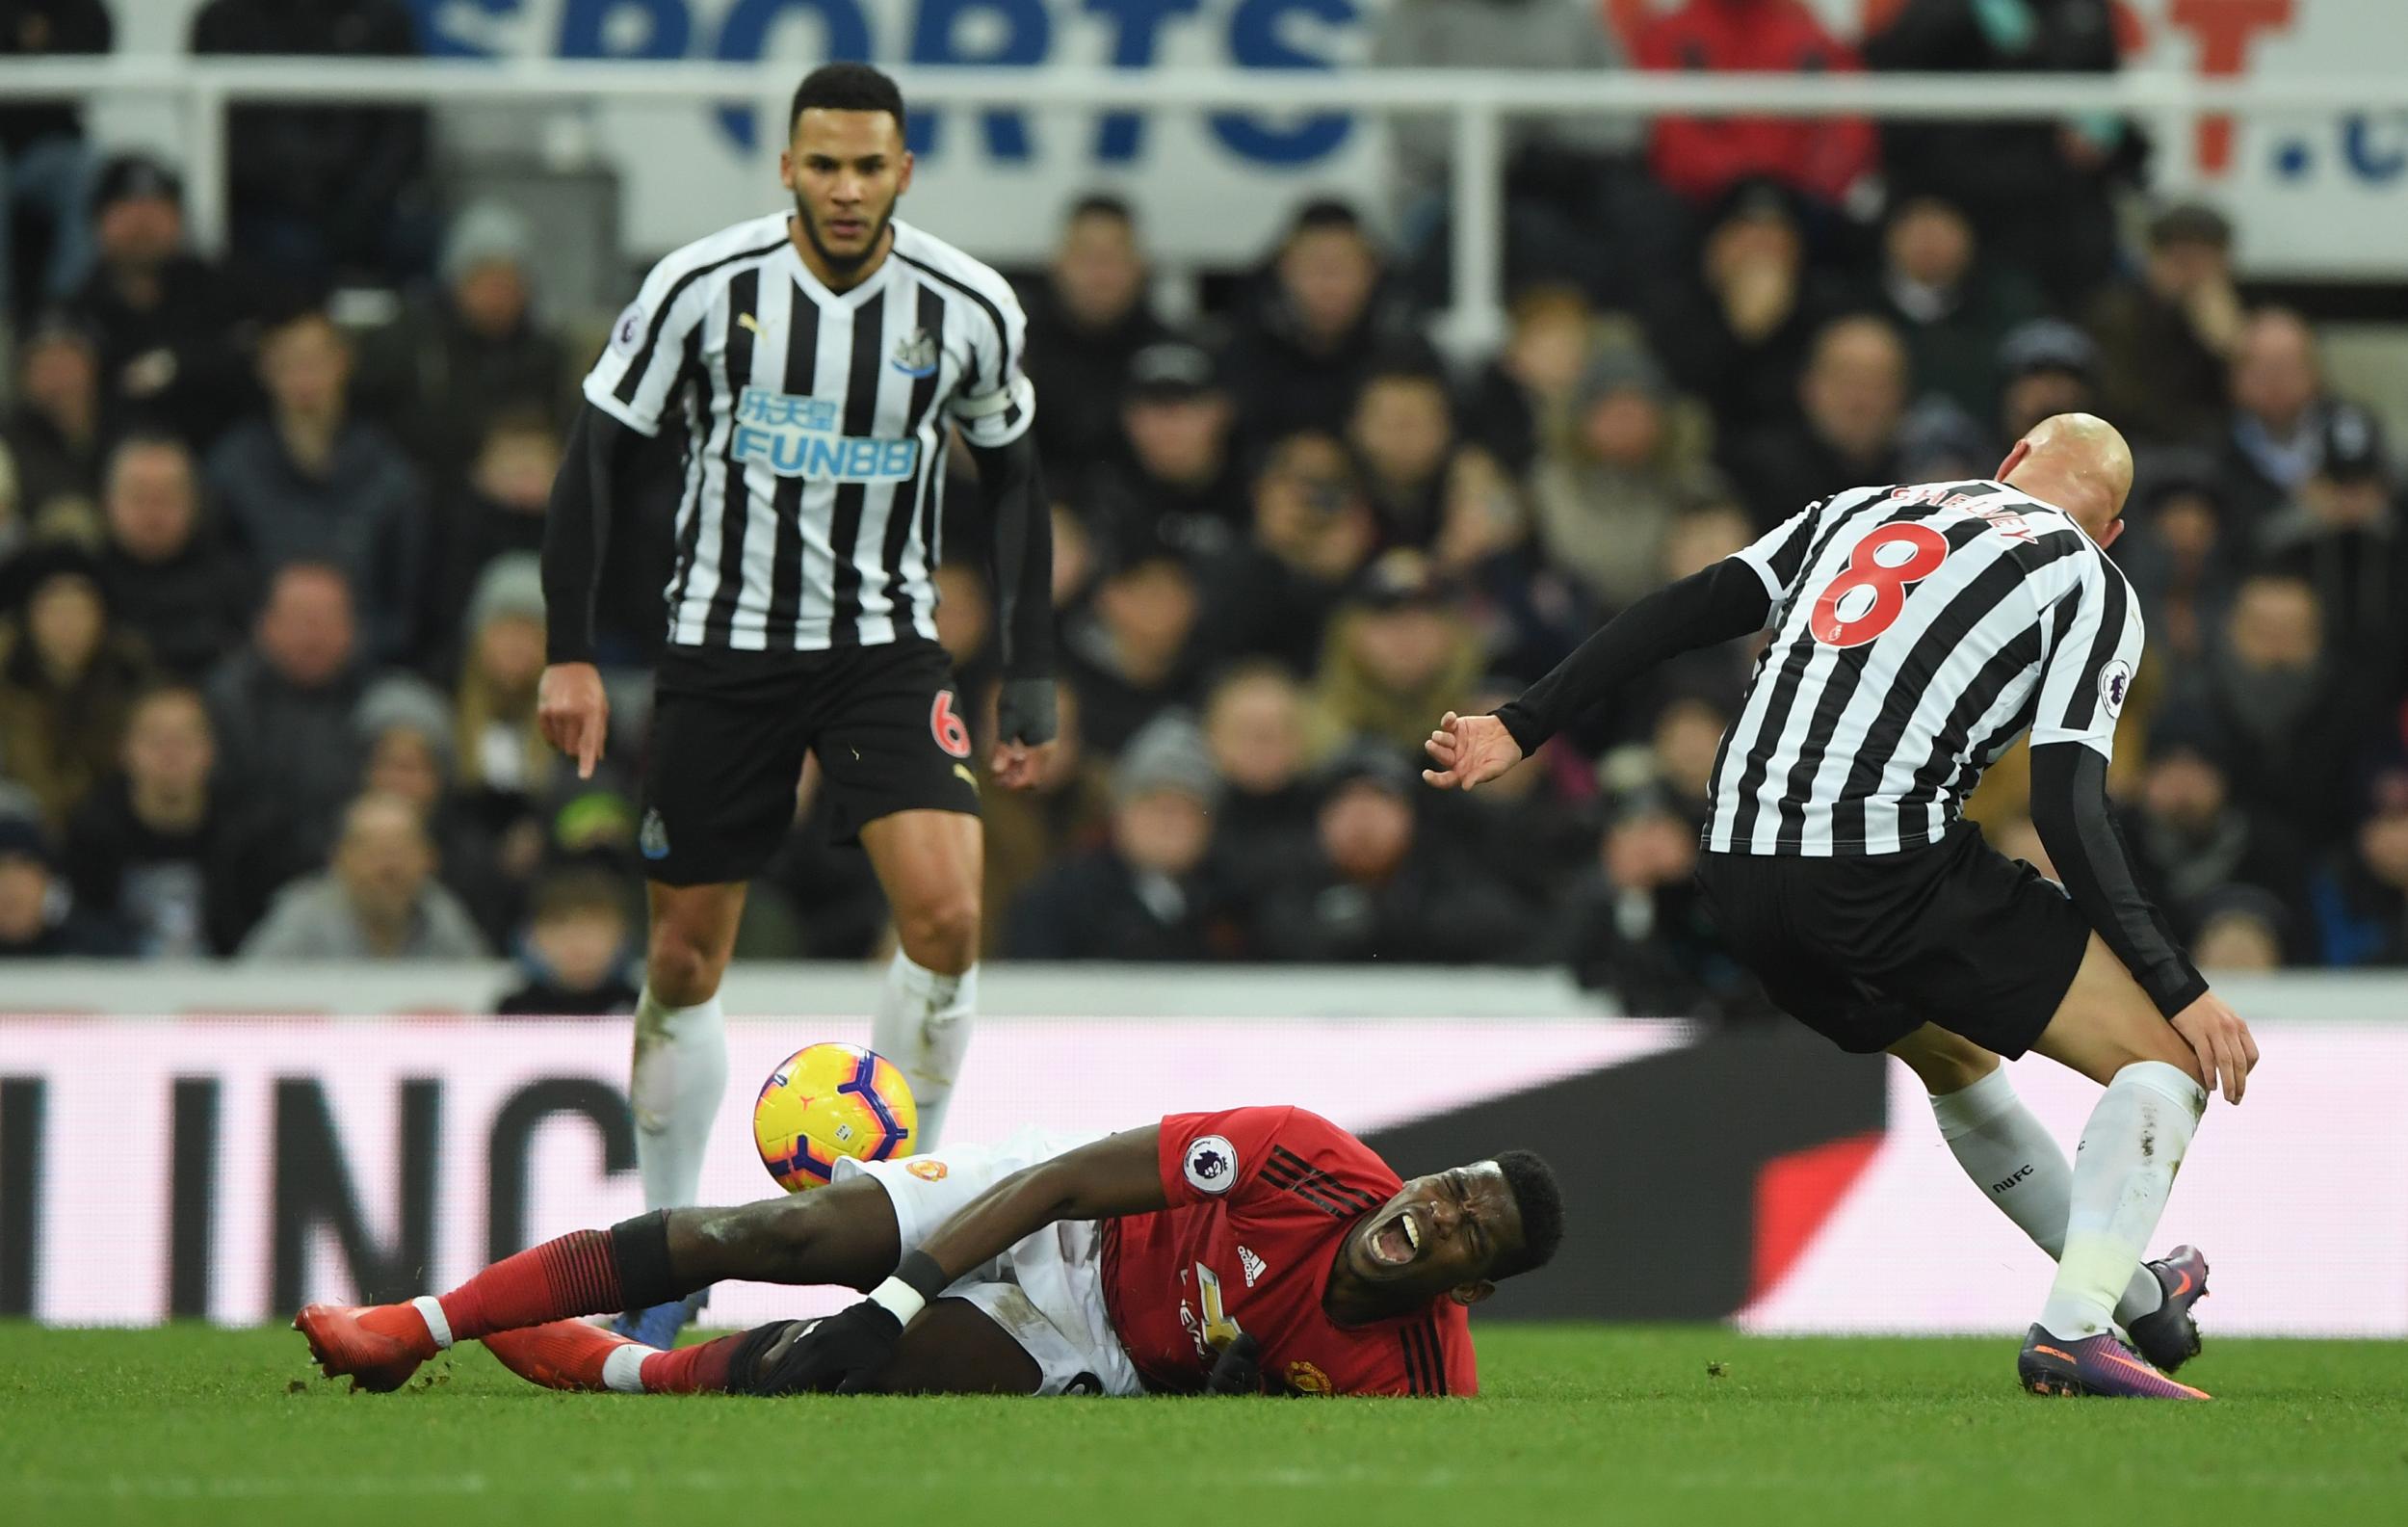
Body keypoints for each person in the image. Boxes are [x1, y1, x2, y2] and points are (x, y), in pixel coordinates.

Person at [1426, 414, 2258, 1397]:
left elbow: (1686, 606)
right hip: (1877, 863)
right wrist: (2178, 981)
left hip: (1733, 868)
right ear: (2110, 529)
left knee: (1954, 1056)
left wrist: (1522, 721)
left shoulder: (1865, 507)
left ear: (2006, 467)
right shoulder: (2087, 577)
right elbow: (2067, 804)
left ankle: (2132, 1305)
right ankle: (2074, 1331)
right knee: (2163, 1059)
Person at [537, 65, 1059, 1346]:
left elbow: (1017, 480)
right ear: (785, 167)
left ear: (903, 173)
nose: (842, 188)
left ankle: (909, 1219)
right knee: (681, 959)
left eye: (866, 166)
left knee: (944, 917)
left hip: (886, 648)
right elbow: (598, 454)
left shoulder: (969, 307)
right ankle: (665, 1261)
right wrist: (570, 648)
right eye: (820, 164)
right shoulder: (702, 289)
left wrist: (1029, 663)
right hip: (722, 651)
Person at [295, 1106, 1564, 1398]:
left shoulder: (1417, 1386)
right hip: (1063, 1221)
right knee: (777, 1233)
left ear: (1470, 1286)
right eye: (1451, 1188)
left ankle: (615, 1370)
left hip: (1095, 1353)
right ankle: (416, 1326)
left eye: (1467, 1231)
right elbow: (1067, 1175)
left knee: (815, 1382)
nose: (1436, 1212)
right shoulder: (1300, 1156)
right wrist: (898, 1294)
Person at [207, 306, 429, 664]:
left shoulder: (389, 474)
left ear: (343, 363)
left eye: (316, 361)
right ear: (266, 370)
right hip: (257, 669)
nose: (304, 377)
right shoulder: (233, 469)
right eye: (290, 362)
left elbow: (407, 601)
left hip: (367, 668)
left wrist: (351, 650)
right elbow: (219, 584)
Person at [62, 682, 299, 957]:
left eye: (185, 740)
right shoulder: (91, 837)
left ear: (209, 751)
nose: (171, 754)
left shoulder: (249, 837)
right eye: (156, 740)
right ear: (125, 751)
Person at [1004, 713, 1229, 961]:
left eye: (1186, 810)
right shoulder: (1061, 901)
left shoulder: (1230, 903)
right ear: (1120, 814)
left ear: (1209, 826)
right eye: (1154, 805)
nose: (1168, 824)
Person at [67, 153, 255, 447]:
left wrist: (176, 367)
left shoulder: (223, 291)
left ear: (179, 220)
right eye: (126, 210)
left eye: (156, 210)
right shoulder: (77, 311)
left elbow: (252, 357)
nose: (142, 225)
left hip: (218, 458)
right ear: (99, 223)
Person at [1017, 196, 1170, 487]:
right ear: (1057, 263)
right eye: (1086, 256)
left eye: (1113, 257)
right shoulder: (1016, 348)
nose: (1100, 273)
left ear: (1140, 265)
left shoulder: (1172, 357)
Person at [240, 790, 489, 961]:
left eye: (401, 849)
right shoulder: (302, 917)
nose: (389, 866)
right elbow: (247, 999)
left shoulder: (443, 917)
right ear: (339, 859)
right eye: (373, 850)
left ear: (429, 858)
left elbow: (483, 999)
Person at [93, 433, 252, 680]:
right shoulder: (87, 584)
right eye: (138, 497)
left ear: (195, 502)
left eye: (167, 497)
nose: (153, 512)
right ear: (108, 502)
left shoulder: (235, 585)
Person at [2084, 203, 2243, 448]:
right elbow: (2122, 402)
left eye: (2203, 261)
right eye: (2181, 260)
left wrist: (2231, 350)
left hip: (2222, 452)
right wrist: (2172, 316)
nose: (2192, 273)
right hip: (2137, 445)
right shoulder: (2118, 314)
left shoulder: (2241, 317)